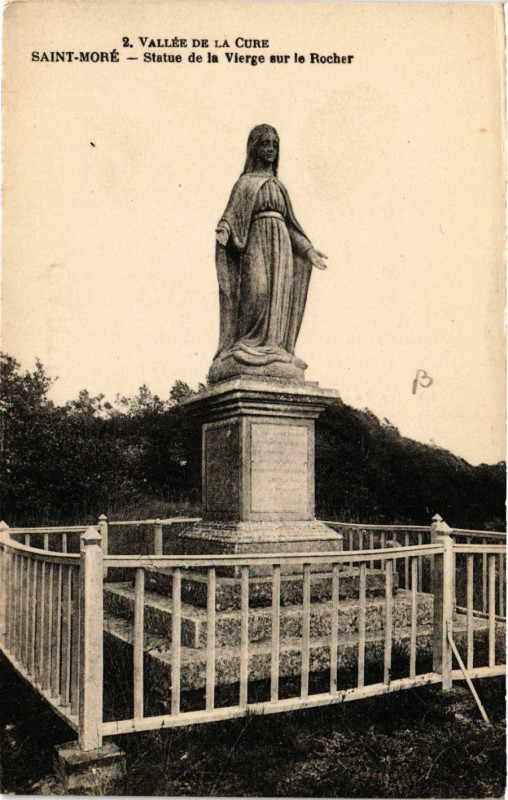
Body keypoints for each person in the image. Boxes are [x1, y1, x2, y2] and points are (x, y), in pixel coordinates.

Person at [208, 124, 328, 384]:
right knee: (258, 291)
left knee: (277, 299)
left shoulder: (279, 186)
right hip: (256, 243)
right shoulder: (244, 184)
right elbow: (231, 214)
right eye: (265, 144)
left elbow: (289, 225)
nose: (271, 149)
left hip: (281, 248)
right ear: (254, 148)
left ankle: (274, 347)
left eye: (275, 144)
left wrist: (308, 250)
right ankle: (247, 345)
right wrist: (224, 230)